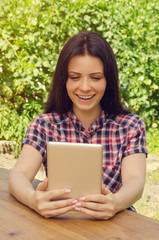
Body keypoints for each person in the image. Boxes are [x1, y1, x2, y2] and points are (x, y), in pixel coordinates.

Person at [9, 31, 147, 219]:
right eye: (75, 77)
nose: (84, 87)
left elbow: (135, 181)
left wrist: (114, 203)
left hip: (115, 225)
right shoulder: (44, 124)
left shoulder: (131, 126)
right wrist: (33, 199)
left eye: (96, 78)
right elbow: (18, 176)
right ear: (63, 80)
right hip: (59, 224)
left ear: (109, 80)